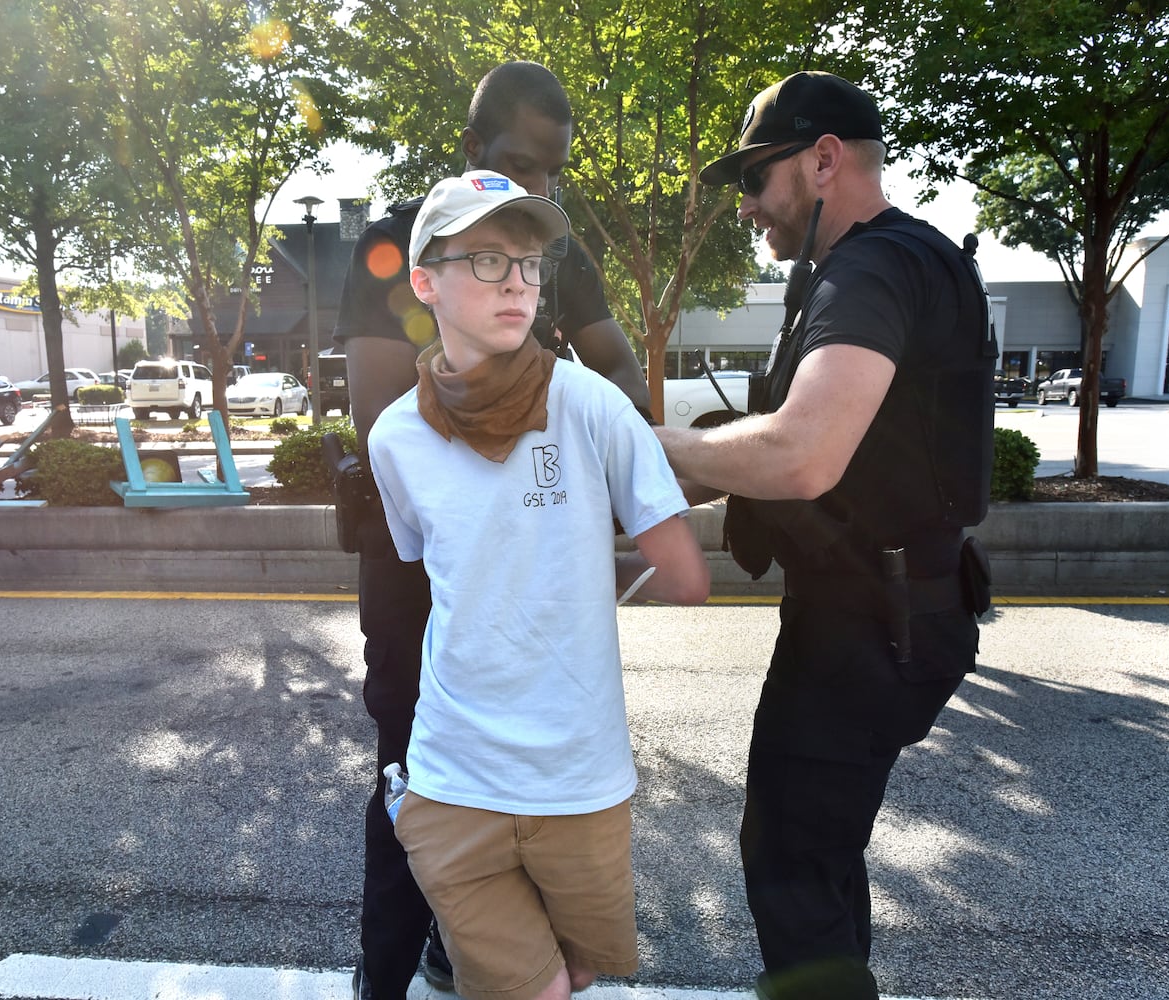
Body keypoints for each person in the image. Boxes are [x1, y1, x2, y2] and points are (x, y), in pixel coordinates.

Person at [654, 72, 996, 1000]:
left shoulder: (871, 270)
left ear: (821, 159)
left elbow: (803, 454)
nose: (749, 209)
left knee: (792, 862)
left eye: (757, 181)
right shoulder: (902, 260)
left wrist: (641, 448)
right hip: (890, 609)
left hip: (867, 626)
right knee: (820, 853)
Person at [332, 61, 652, 1000]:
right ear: (472, 149)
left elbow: (620, 380)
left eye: (553, 171)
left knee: (535, 784)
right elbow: (379, 405)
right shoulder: (396, 242)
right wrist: (526, 399)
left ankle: (473, 948)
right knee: (411, 776)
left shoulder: (554, 252)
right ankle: (382, 975)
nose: (540, 189)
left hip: (533, 569)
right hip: (419, 571)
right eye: (520, 162)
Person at [367, 170, 709, 1000]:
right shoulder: (394, 438)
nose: (517, 282)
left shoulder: (590, 405)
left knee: (578, 969)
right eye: (486, 260)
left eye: (528, 263)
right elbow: (436, 568)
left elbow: (686, 570)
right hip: (452, 777)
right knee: (537, 990)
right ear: (424, 282)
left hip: (578, 778)